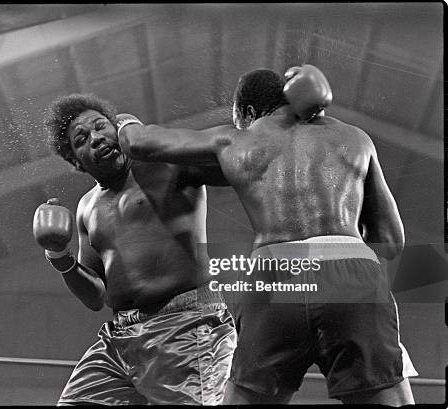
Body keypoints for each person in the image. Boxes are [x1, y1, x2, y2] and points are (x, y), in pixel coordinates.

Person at [116, 65, 417, 406]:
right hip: (353, 275)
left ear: (246, 112)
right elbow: (391, 243)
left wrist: (123, 122)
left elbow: (138, 143)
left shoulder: (236, 139)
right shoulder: (357, 138)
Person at [33, 93, 239, 405]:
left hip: (187, 325)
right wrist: (58, 256)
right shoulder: (86, 207)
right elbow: (95, 295)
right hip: (119, 338)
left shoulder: (167, 165)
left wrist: (141, 134)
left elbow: (236, 160)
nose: (97, 138)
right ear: (77, 161)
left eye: (101, 126)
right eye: (82, 138)